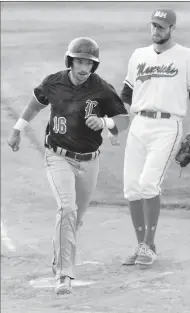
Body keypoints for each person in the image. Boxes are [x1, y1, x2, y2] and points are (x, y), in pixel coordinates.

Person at [7, 37, 129, 294]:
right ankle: (64, 275)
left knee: (76, 219)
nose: (84, 67)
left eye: (89, 63)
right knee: (66, 209)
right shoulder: (54, 82)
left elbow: (124, 119)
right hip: (58, 156)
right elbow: (35, 104)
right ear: (70, 61)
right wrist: (18, 129)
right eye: (80, 61)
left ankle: (58, 260)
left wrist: (106, 124)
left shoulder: (101, 89)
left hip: (90, 161)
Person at [120, 8, 190, 266]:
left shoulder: (187, 56)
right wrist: (114, 126)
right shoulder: (138, 56)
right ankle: (141, 244)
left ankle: (150, 245)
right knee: (132, 188)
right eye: (153, 26)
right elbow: (125, 94)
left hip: (168, 126)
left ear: (171, 29)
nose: (156, 31)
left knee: (148, 183)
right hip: (138, 125)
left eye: (161, 27)